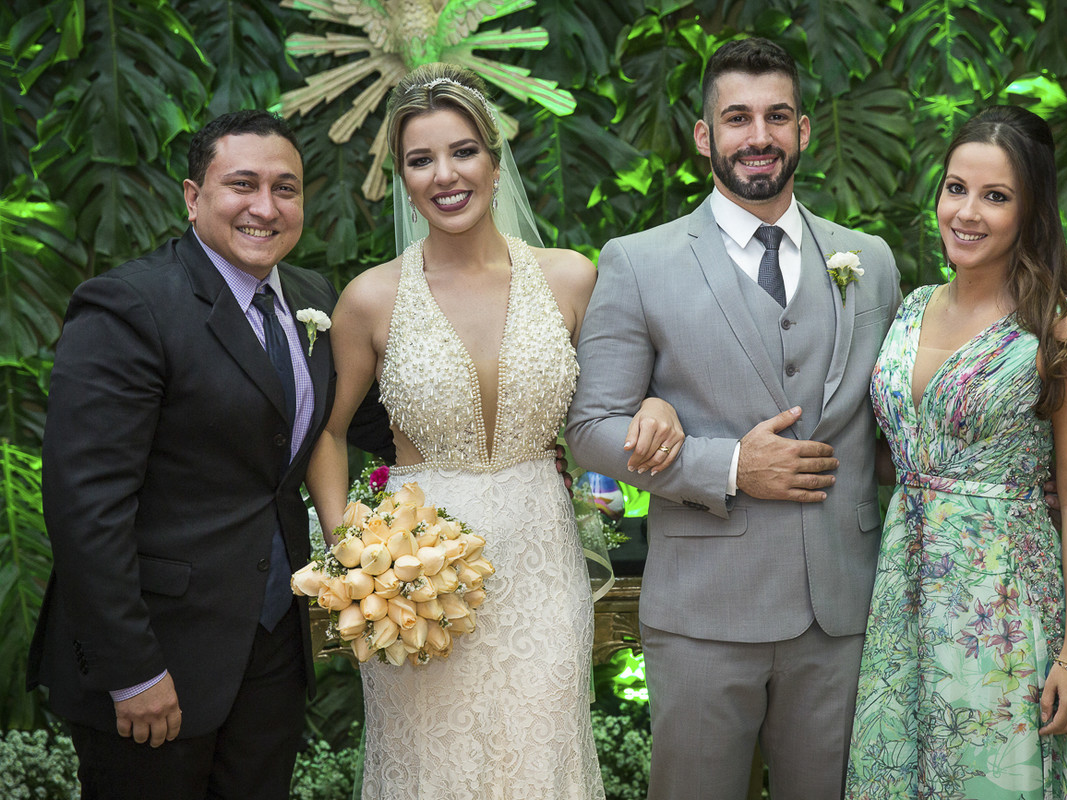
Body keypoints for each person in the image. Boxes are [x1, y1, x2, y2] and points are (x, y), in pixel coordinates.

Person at [305, 62, 683, 799]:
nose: (445, 174)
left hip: (541, 562)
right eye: (421, 159)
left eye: (462, 151)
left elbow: (618, 401)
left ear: (494, 159)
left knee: (540, 761)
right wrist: (353, 555)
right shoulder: (371, 298)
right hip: (414, 572)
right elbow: (327, 433)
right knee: (432, 768)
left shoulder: (572, 278)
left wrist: (659, 405)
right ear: (404, 178)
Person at [565, 38, 902, 800]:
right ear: (704, 136)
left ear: (804, 130)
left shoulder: (870, 260)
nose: (759, 136)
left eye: (777, 116)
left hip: (839, 613)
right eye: (738, 117)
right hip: (703, 615)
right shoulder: (638, 262)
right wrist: (728, 467)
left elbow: (889, 425)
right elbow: (591, 427)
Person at [26, 110, 396, 799]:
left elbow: (371, 421)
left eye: (286, 189)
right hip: (157, 653)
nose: (266, 206)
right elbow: (86, 506)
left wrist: (516, 443)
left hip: (272, 651)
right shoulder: (131, 305)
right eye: (243, 185)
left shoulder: (314, 300)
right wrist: (132, 670)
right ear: (194, 198)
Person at [844, 105, 1067, 798]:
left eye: (995, 196)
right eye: (955, 188)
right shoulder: (910, 308)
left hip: (1000, 611)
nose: (966, 212)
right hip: (902, 603)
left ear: (1031, 211)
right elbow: (906, 454)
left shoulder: (1062, 330)